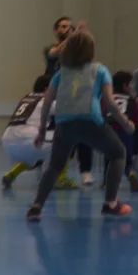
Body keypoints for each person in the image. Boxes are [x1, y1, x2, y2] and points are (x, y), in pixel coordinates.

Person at [26, 30, 134, 221]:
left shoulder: (61, 73)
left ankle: (36, 206)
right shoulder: (100, 70)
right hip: (90, 120)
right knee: (118, 153)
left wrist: (42, 130)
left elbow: (47, 102)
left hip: (64, 123)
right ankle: (110, 203)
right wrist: (126, 124)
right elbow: (110, 103)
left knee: (55, 165)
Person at [1, 76, 77, 191]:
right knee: (70, 135)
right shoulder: (46, 99)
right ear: (47, 89)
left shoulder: (27, 98)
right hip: (28, 140)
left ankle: (12, 173)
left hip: (7, 143)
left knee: (38, 152)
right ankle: (60, 179)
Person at [43, 16, 94, 185]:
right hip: (56, 98)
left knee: (83, 131)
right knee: (57, 135)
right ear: (56, 30)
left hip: (74, 96)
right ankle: (51, 168)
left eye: (68, 27)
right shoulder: (51, 49)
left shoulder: (75, 51)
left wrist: (81, 36)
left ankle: (85, 171)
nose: (65, 29)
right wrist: (76, 33)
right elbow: (55, 53)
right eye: (62, 26)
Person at [103, 70, 138, 193]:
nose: (132, 86)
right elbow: (136, 118)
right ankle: (130, 172)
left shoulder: (107, 98)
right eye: (131, 84)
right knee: (126, 158)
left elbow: (102, 114)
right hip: (124, 131)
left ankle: (106, 181)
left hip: (108, 130)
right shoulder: (131, 100)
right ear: (125, 86)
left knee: (109, 158)